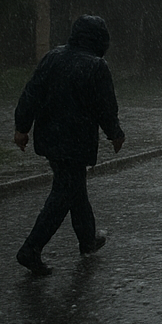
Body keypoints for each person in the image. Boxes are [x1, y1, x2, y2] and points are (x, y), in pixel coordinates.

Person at [12, 14, 126, 276]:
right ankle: (31, 249)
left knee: (75, 188)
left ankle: (87, 240)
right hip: (76, 141)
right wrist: (115, 133)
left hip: (50, 139)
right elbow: (105, 106)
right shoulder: (97, 66)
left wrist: (22, 127)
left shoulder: (54, 57)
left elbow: (32, 91)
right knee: (64, 193)